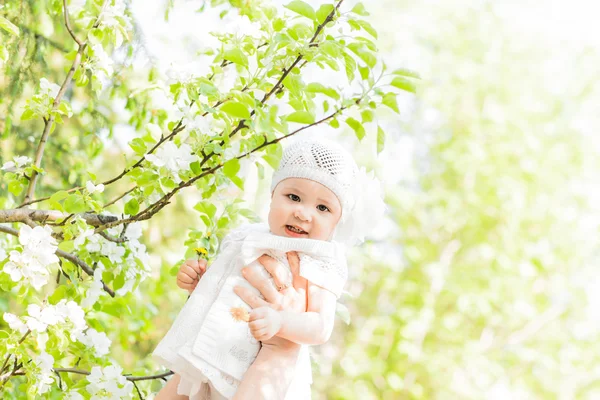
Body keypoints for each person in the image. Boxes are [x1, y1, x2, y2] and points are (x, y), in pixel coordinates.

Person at [153, 139, 384, 399]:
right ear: (272, 197)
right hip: (211, 349)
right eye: (293, 197)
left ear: (336, 223)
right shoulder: (245, 236)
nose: (303, 213)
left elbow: (320, 325)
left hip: (266, 365)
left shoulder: (321, 259)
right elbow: (225, 288)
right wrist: (201, 283)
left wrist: (282, 322)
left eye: (322, 208)